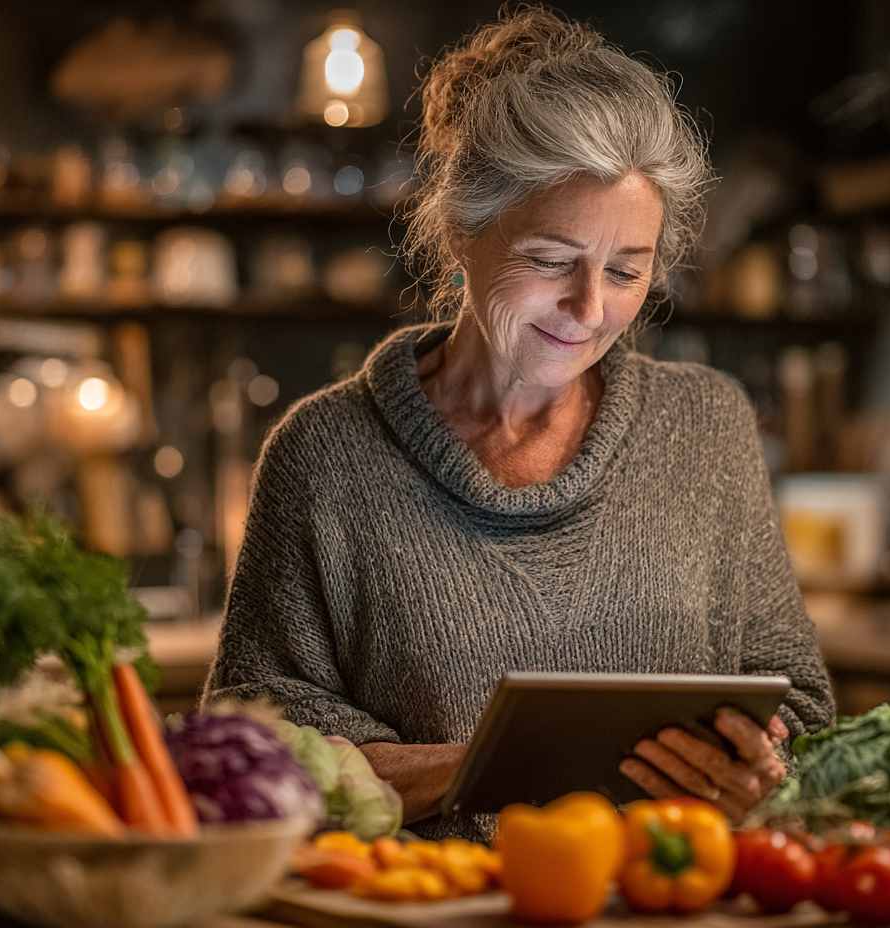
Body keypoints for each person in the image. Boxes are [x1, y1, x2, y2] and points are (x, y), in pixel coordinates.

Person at [202, 8, 834, 840]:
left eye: (625, 270)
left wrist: (766, 770)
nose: (588, 308)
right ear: (463, 229)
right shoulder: (324, 456)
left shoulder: (706, 426)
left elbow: (804, 708)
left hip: (679, 901)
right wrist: (485, 766)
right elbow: (249, 747)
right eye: (551, 260)